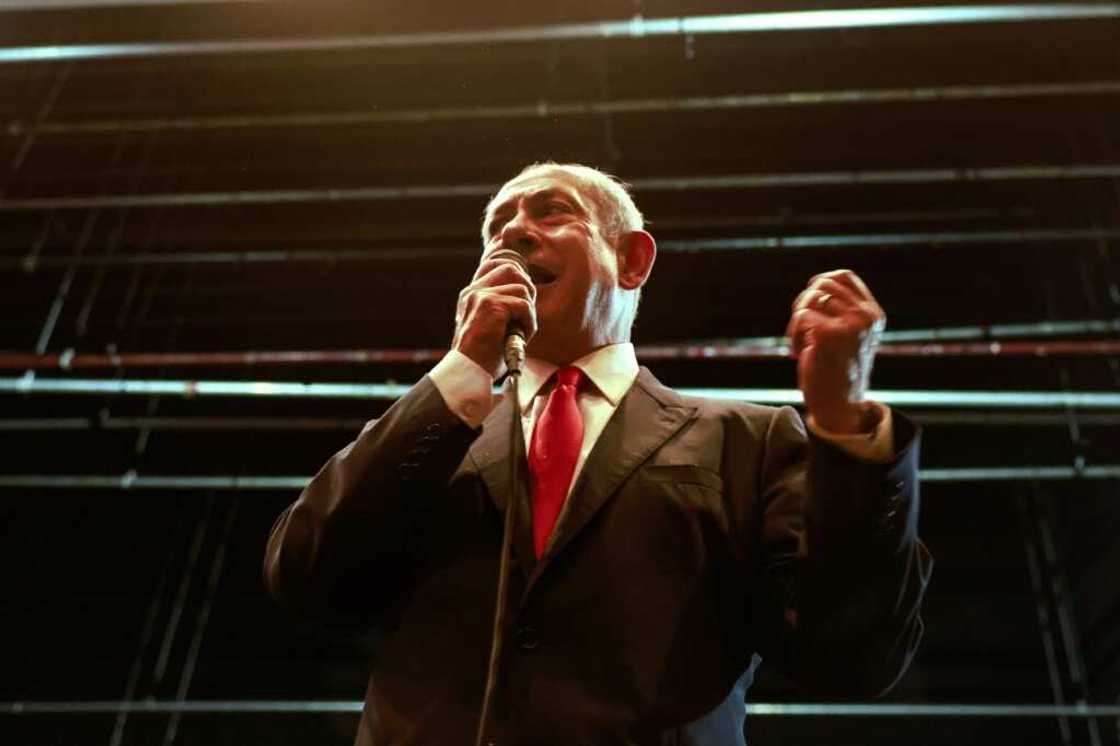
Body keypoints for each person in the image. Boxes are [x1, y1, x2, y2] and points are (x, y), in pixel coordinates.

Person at [264, 162, 932, 746]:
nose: (514, 233)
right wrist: (466, 368)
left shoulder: (748, 441)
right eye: (497, 226)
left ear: (632, 260)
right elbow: (305, 577)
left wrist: (842, 423)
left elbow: (852, 654)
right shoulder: (433, 437)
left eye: (551, 212)